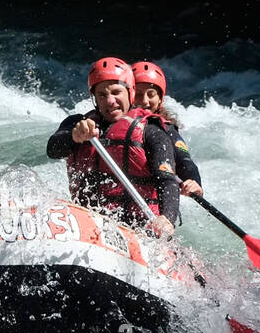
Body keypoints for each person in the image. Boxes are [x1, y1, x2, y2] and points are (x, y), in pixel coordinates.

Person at [45, 57, 180, 236]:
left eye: (116, 92)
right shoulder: (77, 124)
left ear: (130, 93)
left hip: (138, 231)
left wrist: (167, 218)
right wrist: (73, 136)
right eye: (102, 95)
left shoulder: (152, 131)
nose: (110, 101)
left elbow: (167, 181)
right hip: (88, 227)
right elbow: (52, 150)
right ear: (94, 98)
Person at [131, 60, 203, 197]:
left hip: (150, 206)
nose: (145, 101)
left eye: (151, 95)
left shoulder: (166, 130)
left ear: (160, 99)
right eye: (138, 95)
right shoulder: (112, 121)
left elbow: (185, 160)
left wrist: (193, 181)